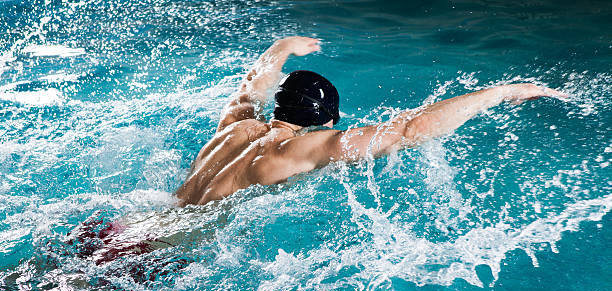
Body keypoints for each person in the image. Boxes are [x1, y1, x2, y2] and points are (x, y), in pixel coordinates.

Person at [176, 36, 568, 206]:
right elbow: (409, 129)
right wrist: (503, 92)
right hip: (168, 253)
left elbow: (250, 87)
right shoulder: (299, 147)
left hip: (135, 225)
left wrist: (283, 49)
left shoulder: (237, 126)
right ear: (326, 122)